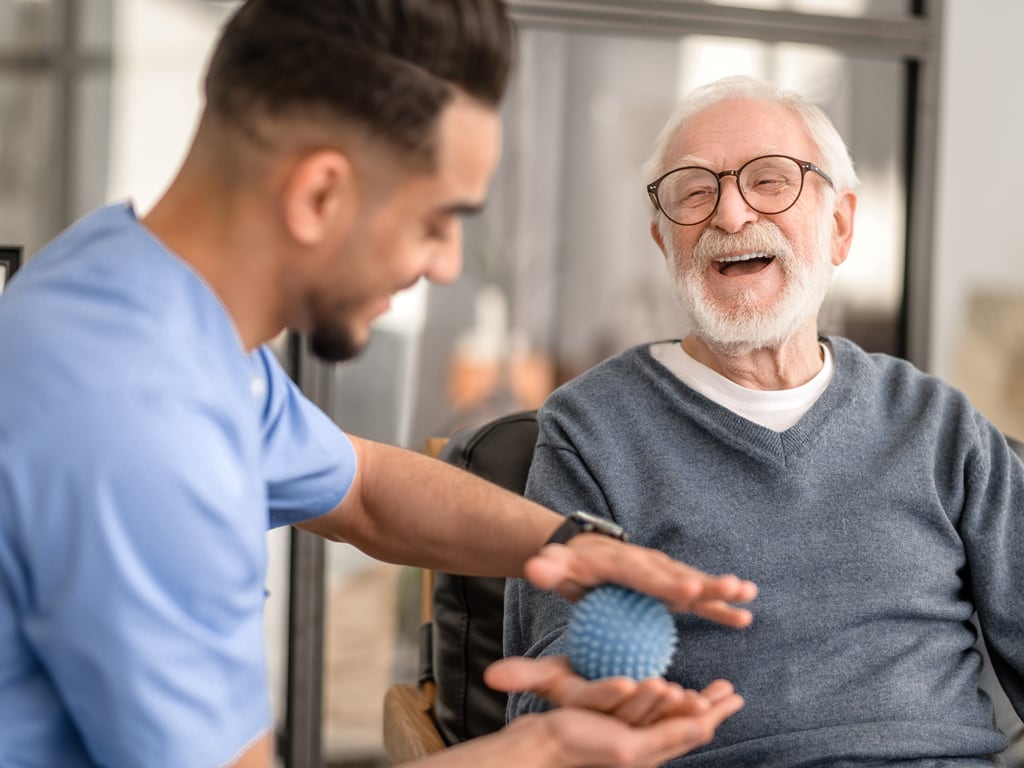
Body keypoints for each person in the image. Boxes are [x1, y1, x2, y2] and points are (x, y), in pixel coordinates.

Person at [0, 3, 764, 767]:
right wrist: (545, 750)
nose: (448, 265)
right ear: (319, 196)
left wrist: (569, 546)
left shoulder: (138, 300)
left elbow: (363, 488)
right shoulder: (138, 426)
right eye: (436, 221)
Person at [504, 74, 1024, 766]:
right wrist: (605, 699)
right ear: (663, 241)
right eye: (695, 192)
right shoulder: (592, 430)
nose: (730, 214)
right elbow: (548, 702)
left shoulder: (939, 425)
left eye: (770, 181)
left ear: (839, 225)